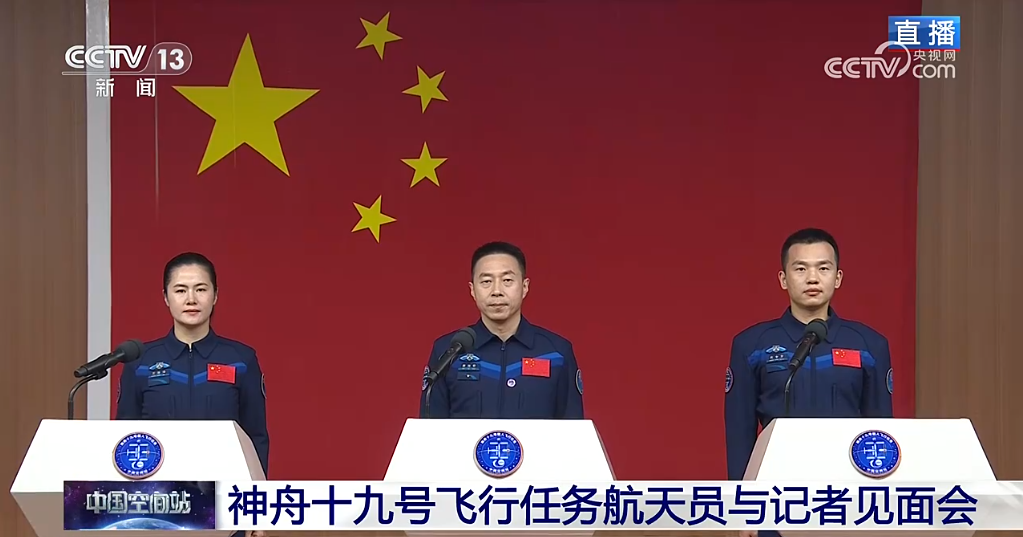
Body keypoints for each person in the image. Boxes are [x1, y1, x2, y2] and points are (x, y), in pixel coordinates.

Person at [724, 229, 893, 536]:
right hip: (776, 498)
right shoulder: (752, 345)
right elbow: (740, 433)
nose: (812, 278)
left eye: (823, 268)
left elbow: (881, 431)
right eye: (800, 269)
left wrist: (881, 502)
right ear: (783, 279)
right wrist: (743, 505)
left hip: (849, 497)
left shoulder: (869, 345)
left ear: (838, 278)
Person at [114, 252, 269, 537]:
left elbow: (255, 438)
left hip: (225, 507)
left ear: (215, 295)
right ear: (165, 297)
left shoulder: (241, 359)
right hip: (157, 509)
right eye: (180, 290)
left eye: (201, 289)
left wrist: (257, 512)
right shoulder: (140, 362)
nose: (191, 299)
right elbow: (124, 438)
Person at [419, 241, 584, 419]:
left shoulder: (556, 352)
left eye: (507, 281)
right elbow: (429, 429)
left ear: (525, 287)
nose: (496, 291)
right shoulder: (449, 351)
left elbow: (573, 429)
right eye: (486, 282)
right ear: (472, 290)